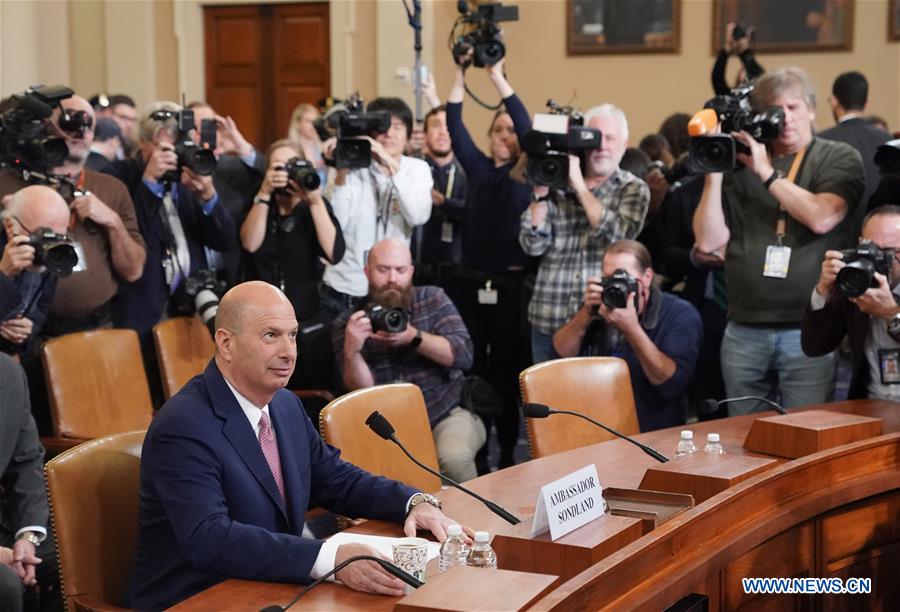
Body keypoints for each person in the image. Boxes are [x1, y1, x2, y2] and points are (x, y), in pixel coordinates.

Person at [127, 281, 464, 610]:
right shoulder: (184, 425)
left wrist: (410, 502)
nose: (288, 352)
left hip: (269, 588)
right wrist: (330, 558)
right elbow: (210, 539)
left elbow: (334, 478)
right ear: (226, 343)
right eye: (270, 336)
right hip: (196, 597)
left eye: (292, 335)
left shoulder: (284, 405)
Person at [693, 66, 865, 412]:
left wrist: (766, 173)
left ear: (813, 109)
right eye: (774, 109)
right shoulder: (738, 165)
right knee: (742, 436)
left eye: (793, 107)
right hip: (743, 326)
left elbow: (822, 216)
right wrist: (714, 171)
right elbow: (708, 241)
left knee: (806, 434)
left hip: (808, 329)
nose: (784, 118)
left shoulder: (837, 156)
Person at [102, 102, 237, 403]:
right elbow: (132, 235)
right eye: (161, 144)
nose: (171, 154)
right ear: (142, 143)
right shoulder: (121, 175)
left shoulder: (190, 173)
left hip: (190, 311)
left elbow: (224, 240)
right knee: (143, 400)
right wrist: (149, 183)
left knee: (193, 400)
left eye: (174, 144)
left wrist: (207, 196)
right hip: (140, 311)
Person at [332, 239, 483, 482]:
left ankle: (474, 520)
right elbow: (359, 392)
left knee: (454, 458)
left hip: (446, 413)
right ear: (367, 272)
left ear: (411, 272)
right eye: (383, 269)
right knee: (374, 477)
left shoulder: (432, 299)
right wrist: (352, 351)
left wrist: (414, 337)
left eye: (400, 270)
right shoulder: (349, 322)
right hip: (387, 427)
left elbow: (464, 355)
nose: (392, 278)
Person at [446, 54, 533, 469]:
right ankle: (478, 460)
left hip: (512, 289)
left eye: (510, 129)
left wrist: (498, 78)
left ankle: (509, 455)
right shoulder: (478, 169)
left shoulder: (526, 172)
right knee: (475, 371)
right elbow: (453, 124)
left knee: (509, 371)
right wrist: (460, 75)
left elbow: (527, 126)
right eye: (497, 128)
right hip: (471, 284)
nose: (504, 133)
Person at [520, 104, 650, 364]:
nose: (602, 146)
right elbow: (531, 244)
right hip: (550, 315)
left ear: (624, 144)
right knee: (547, 401)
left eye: (610, 138)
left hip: (604, 322)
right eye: (595, 137)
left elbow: (618, 235)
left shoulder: (633, 188)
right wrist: (540, 195)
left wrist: (578, 185)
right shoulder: (555, 182)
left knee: (601, 402)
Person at [553, 240, 702, 431]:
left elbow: (672, 386)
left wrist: (632, 330)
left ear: (647, 277)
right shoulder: (600, 306)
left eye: (623, 278)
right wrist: (585, 314)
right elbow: (557, 357)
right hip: (595, 422)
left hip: (652, 431)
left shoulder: (680, 314)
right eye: (609, 279)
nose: (616, 286)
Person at [241, 139, 344, 389]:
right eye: (278, 167)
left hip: (302, 318)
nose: (285, 174)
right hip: (259, 321)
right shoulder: (258, 197)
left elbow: (334, 253)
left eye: (291, 166)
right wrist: (264, 194)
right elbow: (250, 243)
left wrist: (315, 201)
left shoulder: (313, 204)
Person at [319, 97, 432, 318]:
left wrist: (389, 165)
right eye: (382, 127)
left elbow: (418, 215)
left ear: (408, 134)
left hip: (391, 289)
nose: (389, 133)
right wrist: (342, 170)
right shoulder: (351, 165)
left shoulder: (417, 169)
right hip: (344, 286)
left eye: (398, 127)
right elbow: (336, 224)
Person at [802, 206, 900, 400]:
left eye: (889, 251)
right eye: (871, 249)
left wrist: (891, 314)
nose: (878, 258)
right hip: (872, 406)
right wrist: (823, 291)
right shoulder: (857, 284)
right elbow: (814, 346)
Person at [0, 353, 60, 612]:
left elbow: (27, 462)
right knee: (5, 585)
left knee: (84, 551)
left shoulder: (8, 374)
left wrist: (27, 537)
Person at [187, 101, 267, 288]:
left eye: (209, 125)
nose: (201, 132)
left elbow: (270, 177)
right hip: (190, 278)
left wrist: (241, 144)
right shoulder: (177, 172)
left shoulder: (235, 167)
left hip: (233, 275)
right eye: (194, 126)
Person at [0, 186, 73, 357]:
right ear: (10, 226)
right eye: (41, 235)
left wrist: (30, 327)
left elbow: (42, 306)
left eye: (58, 237)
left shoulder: (56, 251)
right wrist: (3, 274)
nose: (48, 246)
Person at [819, 71, 891, 219]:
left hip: (835, 232)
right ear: (866, 103)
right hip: (880, 232)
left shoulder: (820, 142)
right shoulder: (888, 141)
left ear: (833, 101)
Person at [413, 105, 468, 289]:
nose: (443, 132)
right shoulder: (414, 169)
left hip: (456, 267)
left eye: (447, 126)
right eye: (436, 125)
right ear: (425, 133)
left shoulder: (467, 171)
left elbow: (473, 212)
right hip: (418, 263)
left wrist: (444, 203)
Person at [711, 22, 764, 95]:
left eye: (745, 73)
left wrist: (743, 51)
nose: (743, 74)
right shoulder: (731, 99)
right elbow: (717, 79)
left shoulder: (755, 99)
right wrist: (726, 51)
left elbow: (757, 75)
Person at [287, 102, 328, 188]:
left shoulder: (324, 148)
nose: (313, 125)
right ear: (297, 123)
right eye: (308, 121)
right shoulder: (289, 150)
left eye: (316, 121)